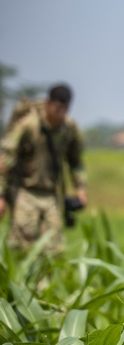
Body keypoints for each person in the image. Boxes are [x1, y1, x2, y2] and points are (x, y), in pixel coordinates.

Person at [0, 83, 87, 253]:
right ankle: (22, 280)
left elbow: (76, 161)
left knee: (54, 249)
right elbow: (5, 160)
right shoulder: (28, 125)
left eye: (65, 109)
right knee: (22, 246)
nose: (60, 113)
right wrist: (1, 194)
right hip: (25, 191)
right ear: (48, 103)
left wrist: (81, 188)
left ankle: (45, 280)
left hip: (51, 195)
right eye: (57, 108)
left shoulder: (69, 129)